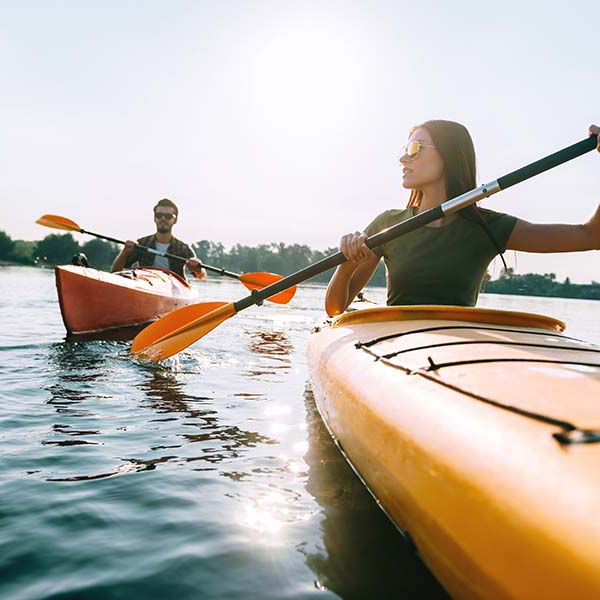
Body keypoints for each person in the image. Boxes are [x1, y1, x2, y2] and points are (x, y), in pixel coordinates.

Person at [325, 121, 600, 316]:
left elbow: (591, 236)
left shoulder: (488, 227)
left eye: (413, 149)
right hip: (396, 346)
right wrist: (346, 263)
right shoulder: (388, 224)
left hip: (457, 347)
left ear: (449, 155)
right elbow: (335, 308)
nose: (402, 159)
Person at [111, 198, 206, 279]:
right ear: (154, 218)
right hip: (146, 284)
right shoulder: (142, 243)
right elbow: (115, 272)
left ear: (175, 220)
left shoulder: (183, 248)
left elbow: (201, 276)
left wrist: (197, 268)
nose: (163, 219)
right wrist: (125, 252)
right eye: (159, 215)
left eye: (168, 216)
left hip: (174, 289)